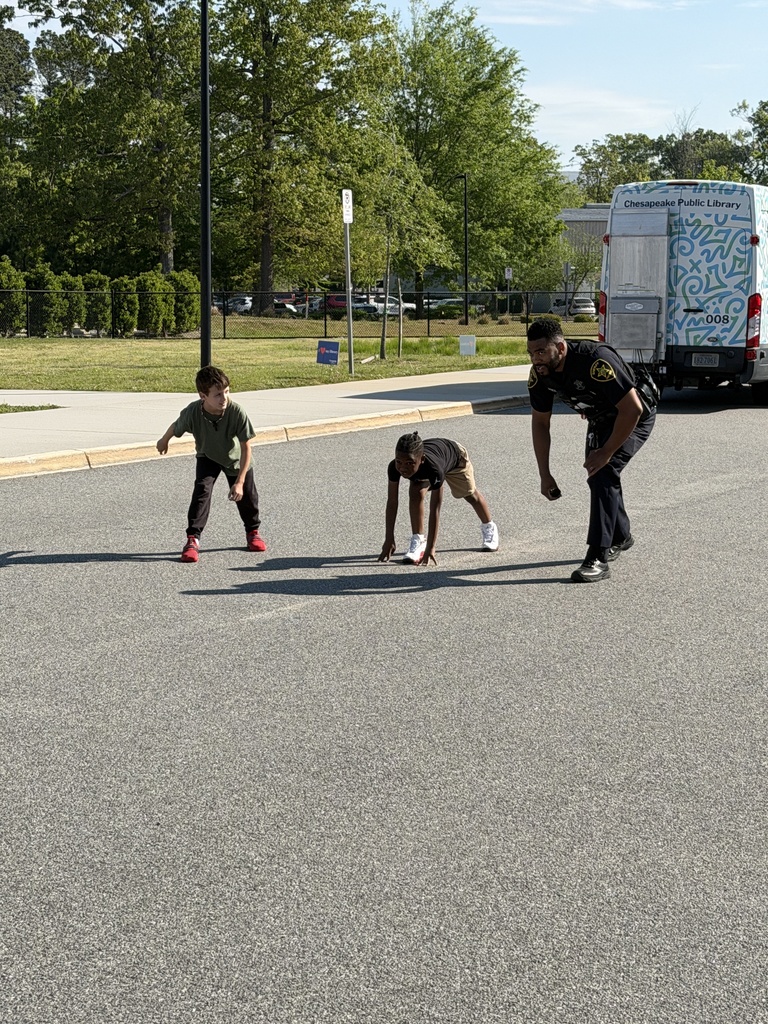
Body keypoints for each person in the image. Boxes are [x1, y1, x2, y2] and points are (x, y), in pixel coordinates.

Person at [526, 319, 655, 583]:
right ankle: (620, 535)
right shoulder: (540, 373)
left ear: (560, 348)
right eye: (530, 353)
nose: (535, 359)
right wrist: (544, 474)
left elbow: (633, 409)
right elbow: (540, 422)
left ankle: (598, 556)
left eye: (541, 352)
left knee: (602, 471)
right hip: (600, 417)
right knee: (599, 475)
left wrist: (606, 451)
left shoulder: (596, 361)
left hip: (632, 415)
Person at [156, 365, 267, 563]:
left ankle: (253, 532)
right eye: (217, 394)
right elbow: (176, 426)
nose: (223, 398)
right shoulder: (193, 412)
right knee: (201, 492)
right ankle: (193, 539)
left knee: (248, 497)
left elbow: (246, 447)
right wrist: (164, 440)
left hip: (234, 458)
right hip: (207, 455)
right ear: (203, 396)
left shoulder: (236, 411)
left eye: (226, 392)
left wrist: (240, 481)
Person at [378, 431, 499, 566]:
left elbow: (435, 508)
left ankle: (489, 527)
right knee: (415, 492)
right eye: (399, 462)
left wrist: (431, 547)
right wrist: (389, 538)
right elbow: (392, 502)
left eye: (409, 463)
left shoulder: (434, 469)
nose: (403, 468)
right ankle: (418, 539)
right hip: (433, 460)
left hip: (455, 458)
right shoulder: (394, 468)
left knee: (470, 496)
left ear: (421, 460)